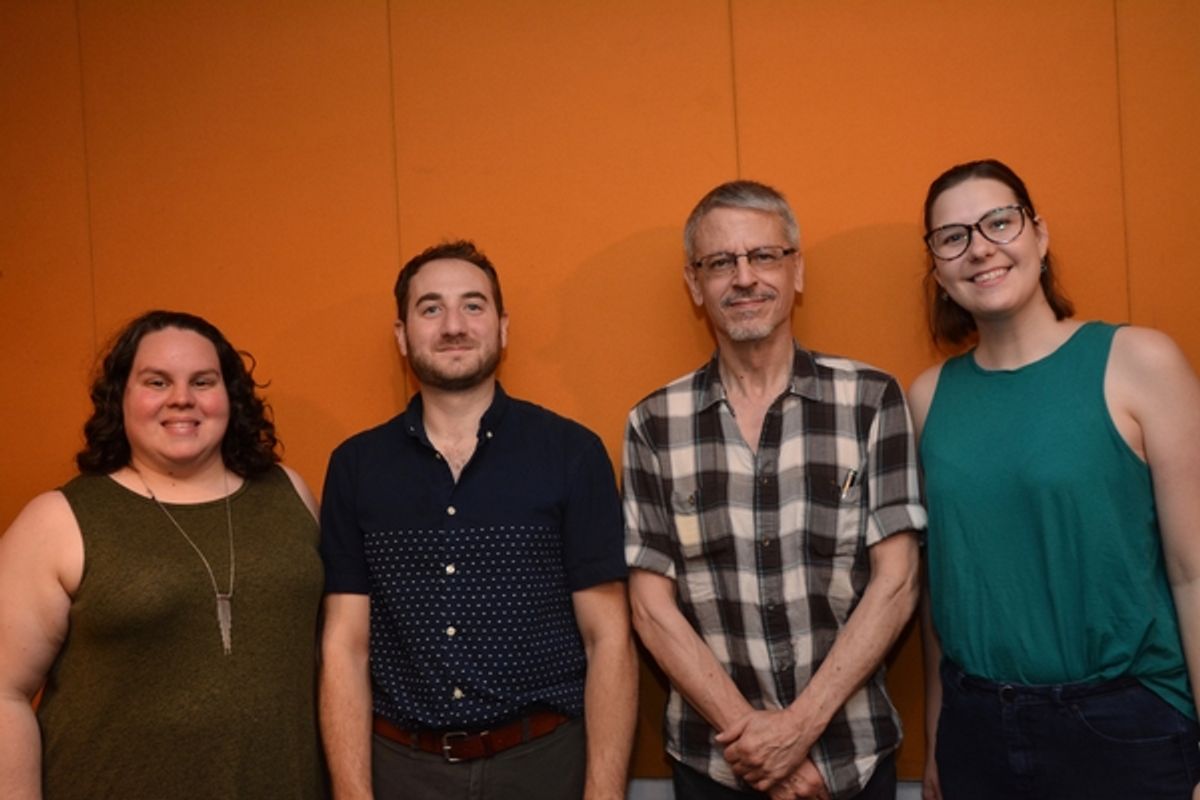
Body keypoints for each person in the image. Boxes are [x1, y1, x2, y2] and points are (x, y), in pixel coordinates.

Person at [623, 180, 925, 800]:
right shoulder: (653, 423)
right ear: (694, 284)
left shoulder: (871, 400)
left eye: (764, 256)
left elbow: (897, 584)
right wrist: (759, 746)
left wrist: (798, 731)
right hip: (715, 767)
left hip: (850, 761)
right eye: (719, 263)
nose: (744, 278)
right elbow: (652, 609)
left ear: (797, 271)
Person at [910, 158, 1200, 800]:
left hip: (1126, 727)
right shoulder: (929, 398)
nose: (979, 247)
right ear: (937, 268)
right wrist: (937, 736)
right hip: (977, 729)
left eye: (999, 222)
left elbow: (1194, 571)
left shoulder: (1141, 362)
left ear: (1039, 234)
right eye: (952, 236)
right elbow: (940, 590)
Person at [318, 240, 636, 800]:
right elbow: (346, 645)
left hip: (544, 763)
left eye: (473, 305)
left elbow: (607, 637)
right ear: (402, 335)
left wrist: (604, 793)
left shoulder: (571, 453)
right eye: (431, 308)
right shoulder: (356, 466)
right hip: (400, 769)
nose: (453, 325)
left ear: (502, 326)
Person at [0, 310, 326, 800]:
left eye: (203, 381)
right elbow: (4, 695)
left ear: (229, 398)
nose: (182, 399)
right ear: (121, 397)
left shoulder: (290, 494)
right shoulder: (58, 520)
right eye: (157, 381)